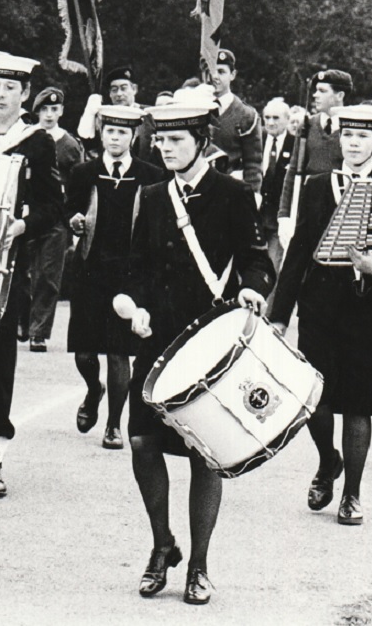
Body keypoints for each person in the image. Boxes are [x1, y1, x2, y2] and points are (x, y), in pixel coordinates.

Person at [124, 101, 274, 606]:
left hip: (210, 337)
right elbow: (136, 268)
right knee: (143, 442)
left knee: (204, 453)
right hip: (157, 338)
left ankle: (201, 565)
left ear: (200, 142)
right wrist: (132, 306)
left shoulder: (232, 194)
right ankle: (162, 544)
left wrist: (253, 288)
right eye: (160, 142)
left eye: (175, 141)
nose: (164, 150)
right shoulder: (150, 195)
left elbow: (257, 259)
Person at [269, 104, 372, 527]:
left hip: (369, 311)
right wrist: (280, 313)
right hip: (320, 308)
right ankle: (329, 461)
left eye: (363, 137)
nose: (354, 144)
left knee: (358, 404)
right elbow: (297, 253)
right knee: (317, 401)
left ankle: (352, 494)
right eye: (348, 136)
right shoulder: (316, 186)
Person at [0, 52, 63, 497]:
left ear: (24, 96)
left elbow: (52, 207)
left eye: (10, 89)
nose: (0, 95)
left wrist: (22, 226)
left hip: (6, 266)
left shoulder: (36, 142)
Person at [66, 105, 164, 450]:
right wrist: (74, 222)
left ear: (133, 136)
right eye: (109, 131)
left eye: (122, 132)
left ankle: (112, 425)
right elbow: (70, 212)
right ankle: (94, 390)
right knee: (84, 353)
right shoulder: (84, 173)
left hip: (129, 274)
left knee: (119, 353)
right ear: (102, 133)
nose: (115, 138)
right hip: (90, 271)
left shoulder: (151, 175)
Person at [19, 87, 83, 352]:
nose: (49, 114)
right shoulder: (25, 137)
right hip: (25, 211)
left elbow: (78, 181)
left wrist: (73, 216)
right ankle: (22, 321)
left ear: (61, 111)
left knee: (48, 274)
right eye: (44, 109)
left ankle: (39, 331)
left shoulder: (69, 144)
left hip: (56, 215)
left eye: (54, 109)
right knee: (21, 271)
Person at [277, 69, 350, 246]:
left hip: (339, 208)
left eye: (323, 91)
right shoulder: (308, 125)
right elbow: (293, 170)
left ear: (340, 95)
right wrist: (284, 215)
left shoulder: (353, 128)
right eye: (316, 90)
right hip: (307, 209)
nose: (315, 95)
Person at [207, 49, 263, 196]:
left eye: (221, 71)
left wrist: (253, 195)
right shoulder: (196, 109)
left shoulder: (246, 115)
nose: (215, 77)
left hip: (230, 190)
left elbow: (253, 163)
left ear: (233, 75)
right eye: (211, 71)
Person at [259, 97, 295, 271]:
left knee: (273, 266)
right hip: (255, 218)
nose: (270, 122)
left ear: (287, 120)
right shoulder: (256, 141)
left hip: (277, 220)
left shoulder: (295, 145)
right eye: (267, 118)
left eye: (276, 118)